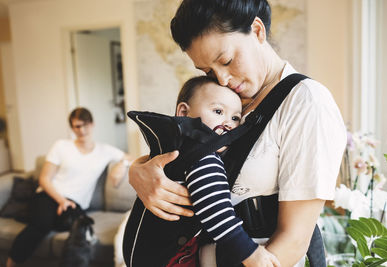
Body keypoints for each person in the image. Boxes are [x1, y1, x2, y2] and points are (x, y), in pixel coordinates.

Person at [129, 0, 347, 266]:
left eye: (227, 60)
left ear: (257, 31)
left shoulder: (306, 103)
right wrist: (138, 170)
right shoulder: (226, 99)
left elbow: (294, 240)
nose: (221, 79)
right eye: (208, 71)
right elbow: (186, 152)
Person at [124, 76, 278, 266]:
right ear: (183, 112)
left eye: (235, 117)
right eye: (218, 111)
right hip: (167, 257)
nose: (228, 123)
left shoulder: (178, 147)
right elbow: (217, 212)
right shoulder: (202, 156)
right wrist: (251, 255)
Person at [6, 107, 133, 267]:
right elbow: (44, 179)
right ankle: (11, 263)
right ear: (72, 128)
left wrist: (123, 164)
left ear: (92, 124)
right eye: (77, 126)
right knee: (41, 225)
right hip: (49, 196)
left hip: (75, 205)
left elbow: (129, 157)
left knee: (81, 228)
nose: (82, 130)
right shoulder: (61, 146)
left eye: (85, 125)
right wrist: (61, 201)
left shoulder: (105, 150)